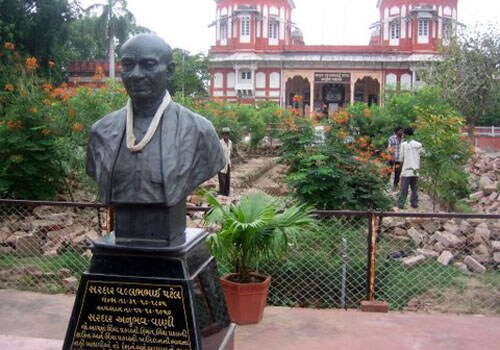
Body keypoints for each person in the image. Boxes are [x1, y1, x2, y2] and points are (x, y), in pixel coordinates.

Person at [86, 34, 225, 244]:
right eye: (128, 65)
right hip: (124, 236)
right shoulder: (101, 132)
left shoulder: (199, 131)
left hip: (169, 233)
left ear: (169, 71)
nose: (136, 75)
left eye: (148, 65)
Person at [397, 127, 423, 209]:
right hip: (416, 170)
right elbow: (421, 156)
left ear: (406, 134)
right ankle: (414, 203)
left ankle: (401, 203)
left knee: (404, 188)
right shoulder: (419, 145)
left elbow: (401, 158)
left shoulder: (403, 145)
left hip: (406, 170)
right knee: (414, 188)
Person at [218, 127, 233, 196]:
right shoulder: (219, 143)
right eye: (224, 134)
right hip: (221, 165)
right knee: (222, 182)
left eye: (227, 134)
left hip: (228, 165)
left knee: (227, 182)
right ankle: (221, 196)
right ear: (222, 135)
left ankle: (227, 196)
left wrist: (229, 163)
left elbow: (229, 153)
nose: (225, 136)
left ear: (229, 135)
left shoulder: (230, 142)